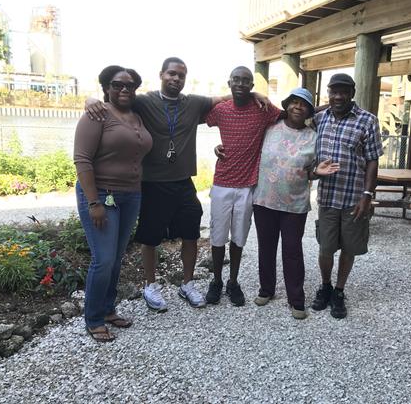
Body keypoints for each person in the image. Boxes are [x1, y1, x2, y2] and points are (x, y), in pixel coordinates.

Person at [85, 57, 269, 312]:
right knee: (150, 237)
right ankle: (150, 285)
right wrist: (91, 100)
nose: (176, 78)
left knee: (191, 232)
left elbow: (225, 97)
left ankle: (187, 283)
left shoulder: (193, 103)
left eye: (181, 75)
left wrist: (255, 92)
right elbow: (117, 99)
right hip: (153, 182)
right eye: (171, 73)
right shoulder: (145, 101)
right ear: (161, 74)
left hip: (183, 181)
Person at [74, 65, 152, 342]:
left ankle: (108, 310)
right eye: (117, 84)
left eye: (130, 85)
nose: (124, 89)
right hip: (100, 195)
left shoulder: (137, 115)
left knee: (116, 257)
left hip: (131, 195)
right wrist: (93, 202)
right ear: (106, 87)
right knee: (104, 259)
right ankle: (93, 318)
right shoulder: (96, 114)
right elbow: (82, 160)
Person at [251, 88, 339, 319]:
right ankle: (266, 289)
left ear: (310, 111)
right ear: (287, 105)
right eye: (294, 102)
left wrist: (317, 173)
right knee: (266, 248)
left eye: (304, 105)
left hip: (294, 204)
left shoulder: (313, 137)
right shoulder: (270, 128)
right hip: (264, 200)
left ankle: (296, 299)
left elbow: (310, 171)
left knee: (292, 251)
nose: (298, 107)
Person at [204, 66, 282, 307]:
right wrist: (215, 147)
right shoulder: (220, 110)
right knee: (218, 237)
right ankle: (216, 281)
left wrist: (322, 110)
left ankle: (233, 282)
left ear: (251, 85)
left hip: (248, 186)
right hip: (222, 183)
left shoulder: (263, 109)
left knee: (239, 237)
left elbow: (291, 115)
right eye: (236, 80)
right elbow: (194, 115)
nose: (240, 84)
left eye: (246, 81)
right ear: (229, 83)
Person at [311, 73, 383, 319]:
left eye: (344, 92)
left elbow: (372, 160)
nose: (338, 96)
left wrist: (367, 195)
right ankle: (326, 286)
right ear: (328, 93)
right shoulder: (320, 118)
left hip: (354, 198)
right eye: (334, 92)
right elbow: (293, 113)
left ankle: (339, 291)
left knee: (349, 248)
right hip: (328, 197)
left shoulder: (367, 120)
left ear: (353, 93)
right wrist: (326, 104)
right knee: (325, 248)